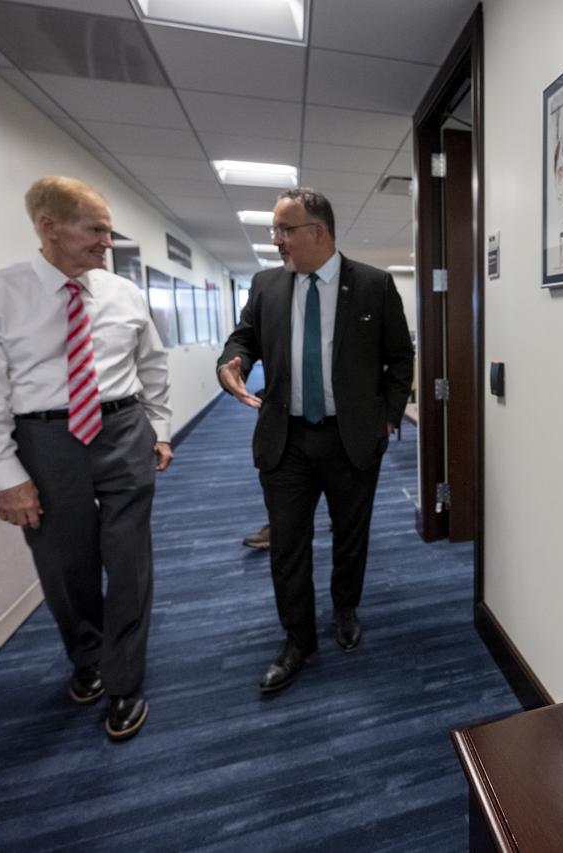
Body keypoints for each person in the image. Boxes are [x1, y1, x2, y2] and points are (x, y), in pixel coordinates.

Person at [0, 176, 172, 741]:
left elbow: (153, 365)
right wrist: (8, 477)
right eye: (95, 228)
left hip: (123, 430)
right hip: (45, 440)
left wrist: (160, 429)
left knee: (128, 561)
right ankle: (88, 657)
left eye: (107, 228)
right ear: (49, 226)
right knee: (64, 565)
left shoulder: (123, 293)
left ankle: (124, 681)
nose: (107, 240)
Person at [217, 188, 413, 694]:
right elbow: (245, 338)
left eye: (285, 229)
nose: (276, 240)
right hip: (287, 439)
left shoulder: (372, 285)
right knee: (287, 544)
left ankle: (345, 608)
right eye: (275, 230)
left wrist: (388, 418)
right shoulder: (266, 286)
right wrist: (231, 361)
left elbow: (400, 358)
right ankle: (298, 639)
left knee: (351, 536)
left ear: (318, 232)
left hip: (351, 439)